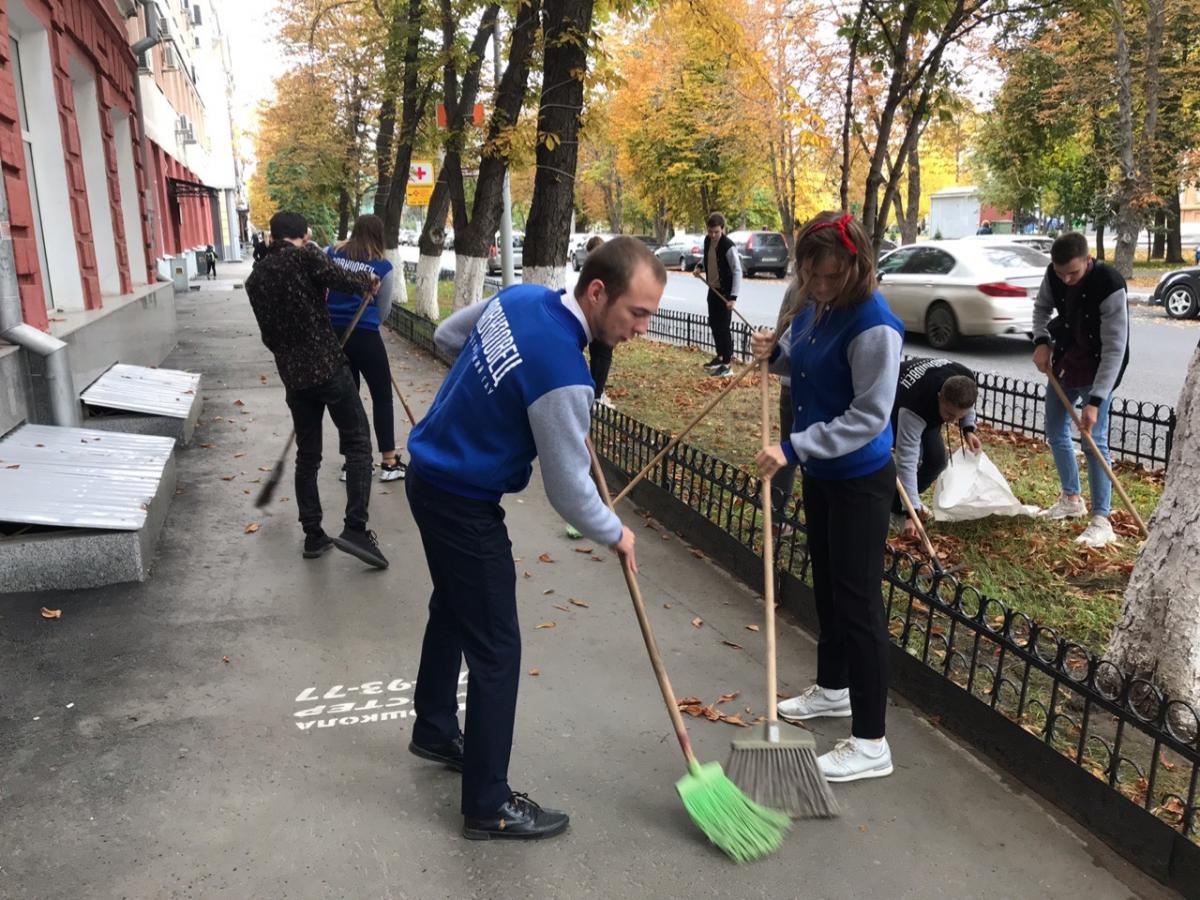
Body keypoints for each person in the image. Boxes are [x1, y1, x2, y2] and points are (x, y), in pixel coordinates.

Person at [404, 236, 662, 840]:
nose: (642, 329)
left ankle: (435, 728)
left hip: (430, 480)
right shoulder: (565, 373)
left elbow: (447, 336)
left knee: (454, 608)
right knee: (497, 650)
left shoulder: (519, 298)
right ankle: (487, 804)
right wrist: (616, 532)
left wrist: (492, 398)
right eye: (638, 313)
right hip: (463, 503)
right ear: (597, 293)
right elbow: (570, 493)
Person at [752, 211, 903, 783]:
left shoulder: (874, 324)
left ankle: (871, 742)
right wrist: (775, 352)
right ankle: (833, 689)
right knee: (830, 591)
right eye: (810, 275)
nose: (818, 286)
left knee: (861, 606)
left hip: (860, 479)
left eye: (829, 276)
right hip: (822, 473)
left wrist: (795, 447)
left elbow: (867, 415)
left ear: (856, 266)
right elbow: (805, 366)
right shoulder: (818, 306)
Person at [245, 211, 388, 569]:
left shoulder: (256, 278)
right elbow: (340, 277)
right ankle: (355, 528)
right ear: (303, 236)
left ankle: (313, 534)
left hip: (294, 377)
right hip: (328, 367)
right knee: (357, 443)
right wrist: (369, 280)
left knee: (308, 455)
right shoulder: (306, 255)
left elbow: (268, 336)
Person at [1032, 231, 1129, 548]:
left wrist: (1096, 400)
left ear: (1089, 260)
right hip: (1066, 358)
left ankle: (1102, 519)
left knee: (1094, 441)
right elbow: (1041, 309)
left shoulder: (1110, 285)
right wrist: (1042, 342)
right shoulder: (1054, 275)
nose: (1066, 279)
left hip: (1098, 365)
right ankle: (1072, 498)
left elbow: (1115, 348)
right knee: (1055, 428)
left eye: (1072, 272)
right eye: (1060, 273)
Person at [326, 214, 406, 483]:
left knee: (348, 399)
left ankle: (353, 463)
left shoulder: (332, 254)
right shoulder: (383, 266)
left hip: (334, 336)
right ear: (379, 235)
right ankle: (389, 462)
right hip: (366, 335)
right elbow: (383, 311)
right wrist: (369, 325)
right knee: (382, 396)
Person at [890, 358, 981, 535]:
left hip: (930, 409)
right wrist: (911, 514)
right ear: (940, 396)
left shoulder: (966, 379)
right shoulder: (916, 404)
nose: (953, 421)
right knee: (915, 459)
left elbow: (967, 408)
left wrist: (968, 429)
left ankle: (898, 502)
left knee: (937, 460)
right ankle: (899, 510)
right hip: (896, 404)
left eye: (958, 416)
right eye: (949, 414)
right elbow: (906, 459)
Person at [692, 212, 742, 378]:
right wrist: (699, 266)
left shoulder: (728, 246)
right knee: (713, 324)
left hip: (725, 294)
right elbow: (707, 257)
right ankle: (720, 357)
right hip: (712, 290)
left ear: (723, 229)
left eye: (716, 232)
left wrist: (733, 298)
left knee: (723, 328)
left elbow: (737, 271)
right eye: (710, 231)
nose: (713, 235)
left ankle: (727, 365)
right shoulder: (708, 241)